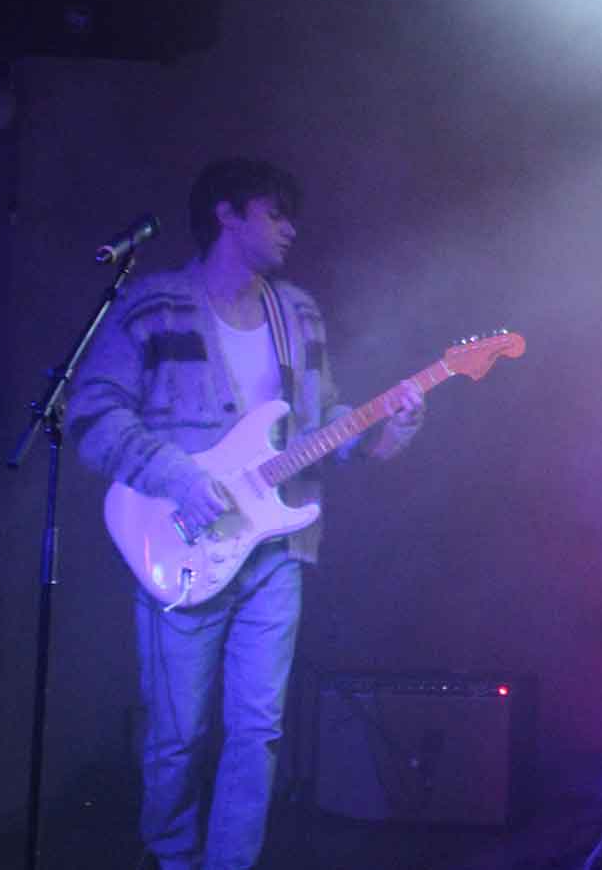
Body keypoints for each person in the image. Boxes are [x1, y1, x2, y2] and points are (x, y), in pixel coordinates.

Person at [66, 158, 425, 870]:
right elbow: (91, 414)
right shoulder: (153, 305)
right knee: (177, 733)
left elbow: (321, 424)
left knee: (257, 730)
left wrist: (386, 429)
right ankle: (170, 858)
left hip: (275, 553)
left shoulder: (298, 313)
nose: (291, 229)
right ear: (226, 214)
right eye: (275, 213)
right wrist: (176, 475)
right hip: (180, 542)